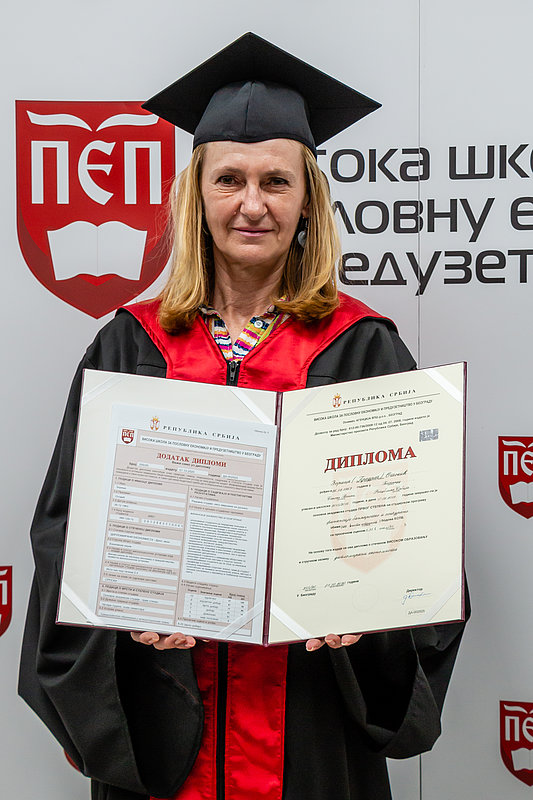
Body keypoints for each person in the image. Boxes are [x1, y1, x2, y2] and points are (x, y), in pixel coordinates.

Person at [19, 32, 467, 800]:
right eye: (228, 179)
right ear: (196, 195)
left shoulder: (362, 346)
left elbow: (412, 545)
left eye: (275, 182)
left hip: (308, 730)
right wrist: (123, 618)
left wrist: (368, 618)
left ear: (307, 200)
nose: (251, 204)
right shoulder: (130, 344)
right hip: (169, 717)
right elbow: (65, 533)